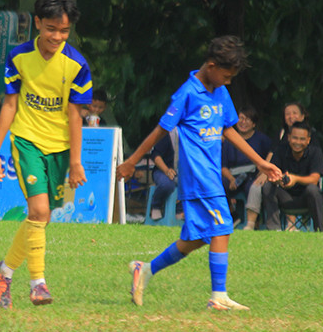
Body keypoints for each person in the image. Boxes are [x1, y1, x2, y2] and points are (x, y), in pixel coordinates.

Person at [116, 35, 282, 310]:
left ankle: (144, 270)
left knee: (196, 238)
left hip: (211, 175)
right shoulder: (187, 93)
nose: (228, 81)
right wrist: (132, 160)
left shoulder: (221, 92)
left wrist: (260, 163)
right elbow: (160, 130)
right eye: (226, 75)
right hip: (198, 177)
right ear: (212, 65)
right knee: (223, 225)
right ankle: (218, 296)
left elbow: (228, 130)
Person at [0, 0, 93, 308]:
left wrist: (75, 162)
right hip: (27, 141)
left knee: (42, 218)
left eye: (64, 31)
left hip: (60, 148)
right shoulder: (18, 57)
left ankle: (4, 271)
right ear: (37, 23)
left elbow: (76, 115)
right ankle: (38, 284)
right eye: (51, 29)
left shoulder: (77, 65)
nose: (57, 37)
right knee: (39, 212)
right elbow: (10, 104)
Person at [242, 101, 313, 230]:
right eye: (287, 114)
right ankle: (251, 225)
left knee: (286, 185)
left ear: (303, 116)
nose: (291, 116)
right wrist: (265, 171)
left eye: (294, 113)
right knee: (257, 186)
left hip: (297, 177)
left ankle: (292, 226)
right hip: (276, 172)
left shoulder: (309, 135)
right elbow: (271, 154)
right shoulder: (281, 133)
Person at [262, 120, 323, 231]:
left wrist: (295, 179)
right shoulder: (280, 150)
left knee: (313, 189)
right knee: (267, 187)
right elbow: (270, 176)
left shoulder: (316, 152)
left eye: (302, 139)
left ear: (308, 140)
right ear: (289, 137)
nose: (298, 142)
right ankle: (273, 230)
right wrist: (280, 180)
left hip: (306, 198)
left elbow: (315, 179)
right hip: (285, 196)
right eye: (295, 138)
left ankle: (319, 230)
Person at [221, 106, 272, 224]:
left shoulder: (262, 140)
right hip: (233, 175)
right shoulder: (229, 140)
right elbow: (223, 166)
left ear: (254, 123)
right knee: (217, 184)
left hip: (253, 175)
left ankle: (255, 222)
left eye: (247, 119)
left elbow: (271, 156)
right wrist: (231, 178)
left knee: (254, 188)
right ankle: (232, 215)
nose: (243, 122)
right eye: (241, 118)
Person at [149, 129, 179, 221]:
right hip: (162, 170)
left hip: (183, 172)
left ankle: (181, 211)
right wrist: (166, 170)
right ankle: (156, 206)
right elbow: (156, 156)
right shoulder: (167, 134)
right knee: (166, 184)